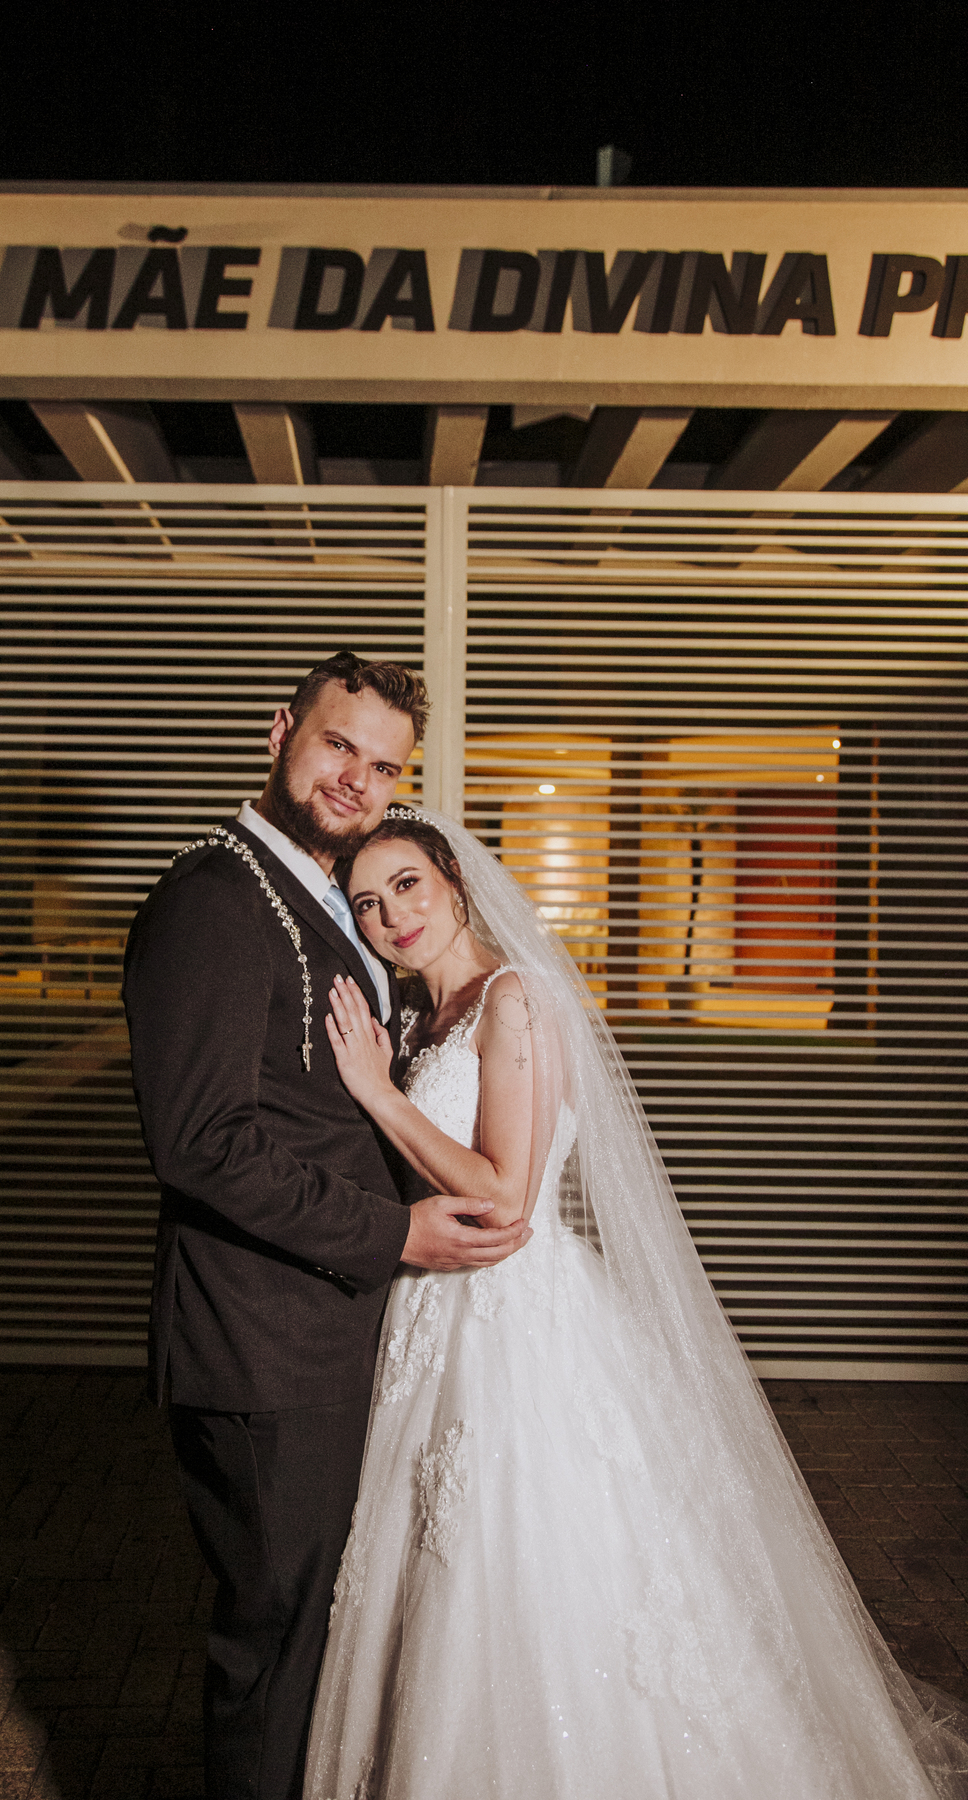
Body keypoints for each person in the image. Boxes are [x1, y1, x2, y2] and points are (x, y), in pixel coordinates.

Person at [305, 806, 968, 1800]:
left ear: (454, 882)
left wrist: (376, 1092)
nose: (391, 914)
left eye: (407, 885)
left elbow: (506, 1197)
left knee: (535, 1554)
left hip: (515, 1321)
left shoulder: (515, 1000)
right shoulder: (417, 1020)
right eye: (366, 902)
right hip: (432, 1317)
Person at [122, 656, 530, 1800]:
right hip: (261, 1343)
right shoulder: (214, 899)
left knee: (322, 1633)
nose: (358, 778)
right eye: (339, 745)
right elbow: (202, 1143)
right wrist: (397, 1239)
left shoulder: (333, 898)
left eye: (385, 766)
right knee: (277, 1641)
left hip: (335, 1335)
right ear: (280, 731)